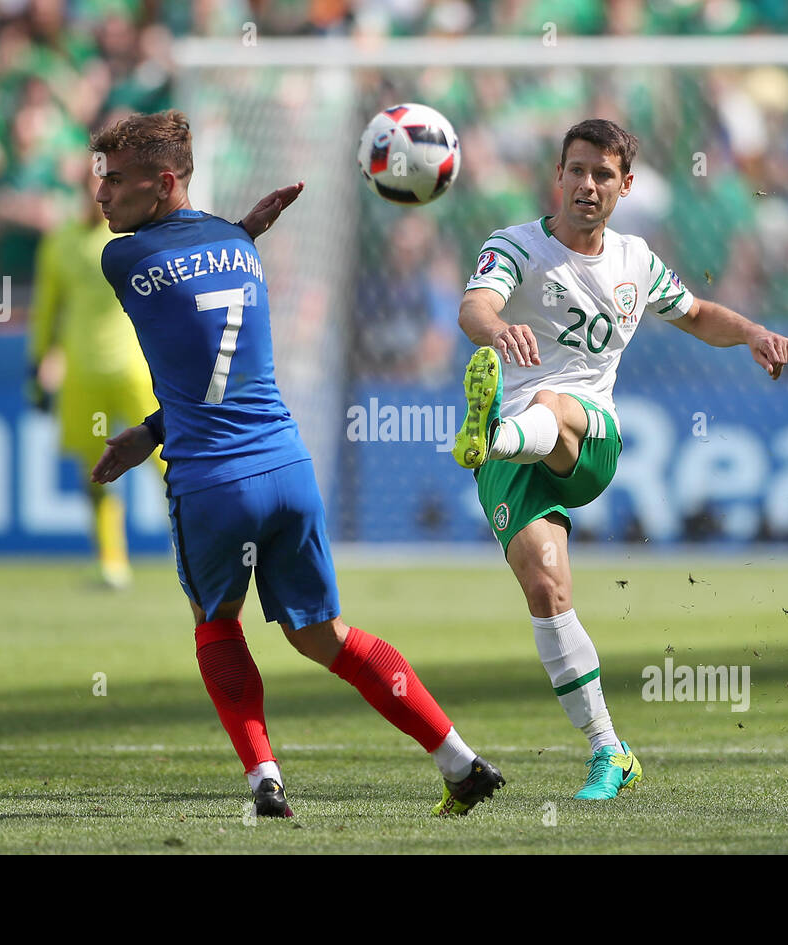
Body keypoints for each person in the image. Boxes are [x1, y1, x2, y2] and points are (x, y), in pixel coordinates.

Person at [87, 110, 503, 817]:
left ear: (162, 185)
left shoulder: (120, 259)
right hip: (287, 468)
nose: (101, 197)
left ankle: (263, 779)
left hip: (212, 482)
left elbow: (181, 300)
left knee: (216, 621)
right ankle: (458, 758)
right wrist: (240, 232)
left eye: (115, 182)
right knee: (325, 636)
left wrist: (155, 434)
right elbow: (209, 301)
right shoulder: (239, 248)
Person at [451, 118, 788, 799]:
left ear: (625, 186)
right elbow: (474, 306)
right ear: (557, 175)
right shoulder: (515, 246)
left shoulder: (636, 261)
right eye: (576, 170)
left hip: (588, 437)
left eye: (603, 175)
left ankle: (492, 435)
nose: (587, 184)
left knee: (551, 396)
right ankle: (612, 750)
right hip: (517, 462)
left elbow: (694, 314)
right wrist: (498, 328)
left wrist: (752, 329)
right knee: (547, 592)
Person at [28, 163, 166, 588]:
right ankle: (112, 561)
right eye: (96, 184)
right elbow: (46, 311)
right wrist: (37, 367)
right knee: (97, 469)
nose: (101, 192)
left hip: (134, 368)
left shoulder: (134, 238)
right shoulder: (60, 243)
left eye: (111, 183)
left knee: (169, 462)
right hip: (82, 375)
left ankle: (204, 540)